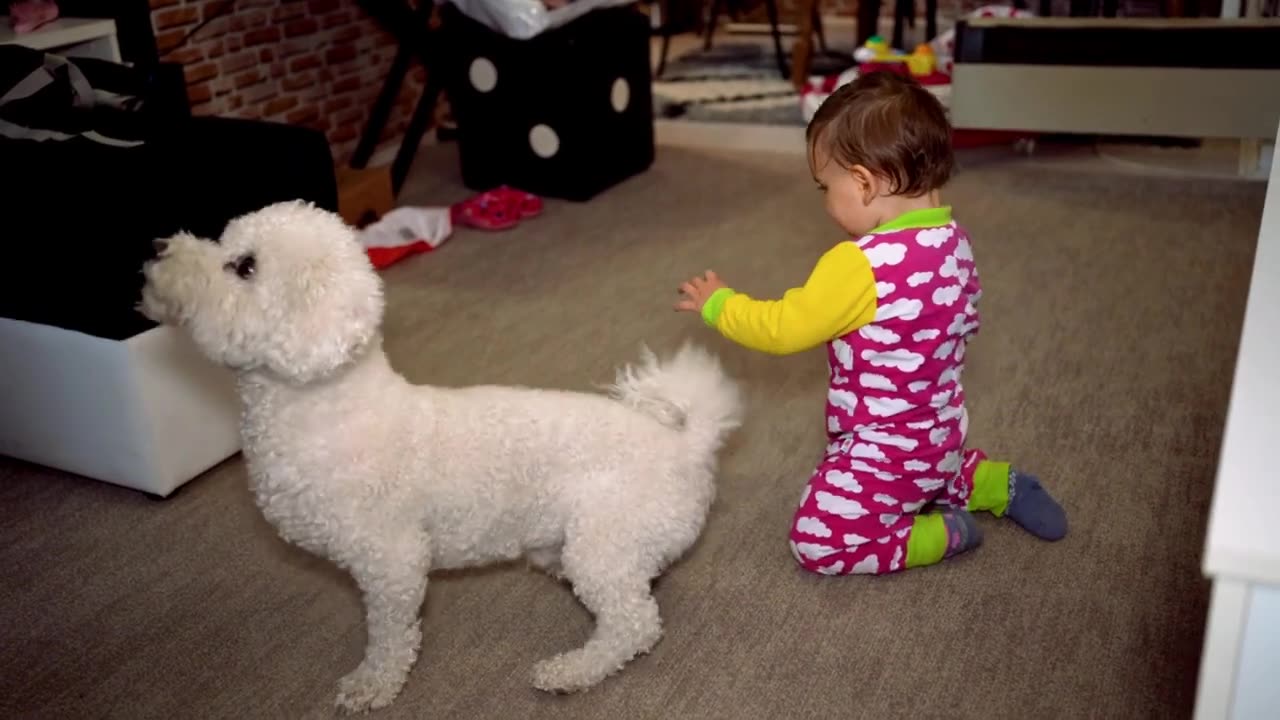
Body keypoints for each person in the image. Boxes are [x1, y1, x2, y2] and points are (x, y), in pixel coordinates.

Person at [674, 71, 1067, 576]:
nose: (823, 201)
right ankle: (995, 484)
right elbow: (967, 322)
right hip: (942, 429)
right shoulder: (954, 240)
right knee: (934, 471)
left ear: (862, 182)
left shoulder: (858, 264)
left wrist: (720, 305)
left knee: (819, 541)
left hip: (881, 448)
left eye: (825, 186)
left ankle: (941, 532)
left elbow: (782, 328)